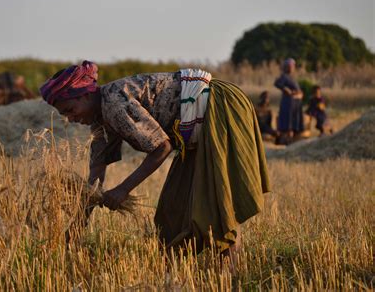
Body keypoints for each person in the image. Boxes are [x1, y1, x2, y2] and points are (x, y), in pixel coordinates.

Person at [40, 61, 271, 259]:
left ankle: (227, 277)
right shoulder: (100, 120)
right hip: (193, 134)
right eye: (65, 115)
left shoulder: (113, 103)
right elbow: (95, 179)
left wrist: (123, 190)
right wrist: (78, 225)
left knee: (217, 204)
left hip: (219, 108)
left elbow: (161, 147)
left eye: (71, 109)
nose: (71, 118)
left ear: (86, 94)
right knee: (173, 212)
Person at [274, 58, 304, 144]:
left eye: (293, 66)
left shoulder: (291, 77)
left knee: (294, 120)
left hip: (295, 103)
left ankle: (293, 139)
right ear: (287, 67)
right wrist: (286, 90)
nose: (293, 68)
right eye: (291, 66)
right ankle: (287, 140)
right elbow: (277, 84)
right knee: (288, 122)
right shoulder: (284, 76)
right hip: (289, 102)